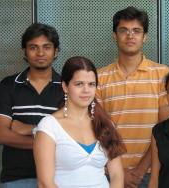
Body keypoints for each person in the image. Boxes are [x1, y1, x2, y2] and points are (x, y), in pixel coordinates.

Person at [96, 6, 169, 188]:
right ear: (115, 35)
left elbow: (166, 129)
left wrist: (139, 171)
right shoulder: (98, 77)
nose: (130, 36)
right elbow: (97, 129)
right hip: (108, 172)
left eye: (136, 31)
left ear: (145, 36)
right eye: (124, 30)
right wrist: (117, 170)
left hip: (151, 173)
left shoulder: (163, 74)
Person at [33, 56, 126, 188]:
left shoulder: (105, 123)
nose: (86, 90)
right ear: (65, 86)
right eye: (79, 84)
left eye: (91, 84)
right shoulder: (49, 126)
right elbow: (45, 183)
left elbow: (117, 175)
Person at [0, 23, 63, 188]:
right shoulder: (8, 85)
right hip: (17, 178)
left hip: (59, 177)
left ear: (56, 51)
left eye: (46, 47)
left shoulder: (67, 87)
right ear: (25, 52)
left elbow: (71, 134)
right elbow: (1, 134)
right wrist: (48, 140)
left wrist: (27, 129)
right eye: (33, 47)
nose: (40, 53)